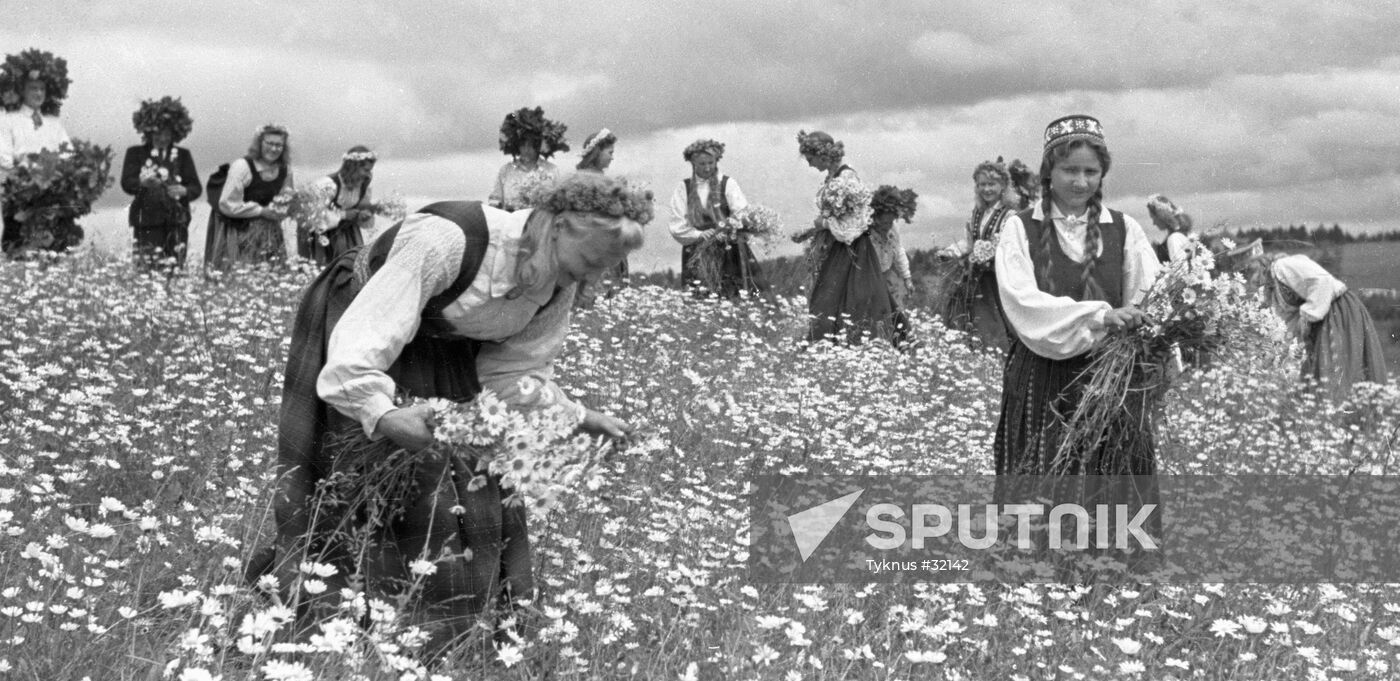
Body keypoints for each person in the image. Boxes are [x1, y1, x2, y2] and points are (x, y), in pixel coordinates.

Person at [268, 172, 648, 641]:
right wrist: (383, 414)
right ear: (558, 226)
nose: (593, 279)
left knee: (461, 477)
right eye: (590, 261)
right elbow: (365, 339)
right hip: (362, 325)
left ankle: (437, 630)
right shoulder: (448, 241)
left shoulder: (557, 284)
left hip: (444, 348)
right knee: (354, 477)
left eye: (604, 269)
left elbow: (509, 375)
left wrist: (574, 415)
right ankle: (330, 619)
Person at [994, 115, 1161, 476]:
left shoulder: (1124, 229)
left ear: (1102, 174)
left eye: (1091, 172)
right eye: (1070, 170)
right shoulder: (1019, 228)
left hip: (1114, 380)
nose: (1080, 181)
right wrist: (1100, 317)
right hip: (1044, 379)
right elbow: (1023, 303)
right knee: (1044, 481)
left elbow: (1150, 298)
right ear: (1049, 171)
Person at [792, 130, 903, 345]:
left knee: (852, 300)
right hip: (836, 248)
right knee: (829, 299)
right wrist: (810, 231)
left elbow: (854, 225)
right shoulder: (833, 178)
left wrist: (822, 224)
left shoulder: (847, 178)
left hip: (853, 251)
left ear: (822, 155)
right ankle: (830, 347)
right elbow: (835, 218)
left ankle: (851, 346)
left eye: (810, 159)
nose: (809, 164)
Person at [1245, 251, 1388, 402]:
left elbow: (1322, 282)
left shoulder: (1283, 267)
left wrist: (1307, 315)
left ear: (1261, 268)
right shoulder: (1274, 287)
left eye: (1254, 279)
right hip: (1322, 316)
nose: (1255, 285)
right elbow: (1289, 323)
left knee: (1341, 370)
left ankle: (1355, 413)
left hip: (1338, 310)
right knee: (1319, 375)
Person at [939, 158, 1030, 352]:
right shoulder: (977, 213)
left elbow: (1008, 244)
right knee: (971, 317)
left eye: (991, 184)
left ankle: (999, 354)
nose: (986, 189)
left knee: (994, 320)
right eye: (982, 185)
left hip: (996, 278)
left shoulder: (1009, 215)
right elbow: (969, 242)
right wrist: (951, 252)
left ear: (1003, 186)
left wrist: (989, 253)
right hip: (975, 277)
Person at [668, 138, 766, 299]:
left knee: (734, 291)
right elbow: (677, 222)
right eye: (702, 164)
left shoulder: (727, 183)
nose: (707, 168)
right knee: (699, 293)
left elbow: (741, 212)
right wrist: (698, 234)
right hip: (697, 250)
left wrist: (727, 230)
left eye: (710, 163)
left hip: (728, 249)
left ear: (716, 161)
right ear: (693, 164)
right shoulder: (683, 188)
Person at [0, 49, 73, 254]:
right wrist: (25, 176)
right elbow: (3, 157)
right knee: (20, 251)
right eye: (33, 88)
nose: (38, 93)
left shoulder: (54, 123)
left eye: (42, 88)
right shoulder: (8, 120)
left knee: (53, 255)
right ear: (22, 91)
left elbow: (69, 155)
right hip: (20, 197)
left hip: (51, 198)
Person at [120, 96, 201, 271]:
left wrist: (184, 190)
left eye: (167, 134)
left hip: (177, 223)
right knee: (146, 273)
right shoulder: (135, 153)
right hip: (146, 223)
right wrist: (143, 183)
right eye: (157, 133)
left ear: (174, 134)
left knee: (175, 271)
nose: (162, 138)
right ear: (148, 132)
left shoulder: (183, 155)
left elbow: (196, 187)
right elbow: (127, 183)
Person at [205, 123, 294, 270]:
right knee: (241, 273)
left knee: (272, 273)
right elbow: (227, 204)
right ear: (260, 143)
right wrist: (261, 211)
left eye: (279, 145)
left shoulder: (285, 169)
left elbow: (287, 196)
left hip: (271, 231)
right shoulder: (242, 167)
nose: (274, 149)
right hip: (241, 231)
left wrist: (283, 209)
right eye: (269, 143)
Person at [574, 129, 627, 306]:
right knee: (592, 296)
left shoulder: (601, 177)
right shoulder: (583, 179)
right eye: (610, 152)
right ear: (597, 152)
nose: (612, 157)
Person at [301, 146, 376, 266]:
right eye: (366, 170)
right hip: (325, 236)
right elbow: (314, 216)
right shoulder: (329, 185)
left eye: (370, 170)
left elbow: (362, 207)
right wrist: (344, 215)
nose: (368, 174)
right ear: (353, 167)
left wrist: (363, 215)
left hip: (349, 234)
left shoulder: (363, 185)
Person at [488, 106, 566, 212]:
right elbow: (495, 203)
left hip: (541, 226)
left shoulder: (552, 171)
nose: (527, 149)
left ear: (539, 146)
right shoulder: (505, 171)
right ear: (516, 145)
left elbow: (560, 204)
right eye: (523, 145)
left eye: (531, 145)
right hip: (511, 226)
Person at [868, 184, 917, 308]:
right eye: (884, 222)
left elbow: (899, 251)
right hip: (869, 280)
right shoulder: (866, 233)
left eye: (890, 222)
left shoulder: (893, 229)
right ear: (875, 218)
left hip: (887, 278)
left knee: (895, 313)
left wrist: (907, 278)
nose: (887, 226)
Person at [1146, 194, 1194, 264]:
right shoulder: (1181, 235)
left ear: (1161, 217)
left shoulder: (1174, 238)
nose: (1154, 223)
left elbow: (1179, 269)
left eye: (1153, 218)